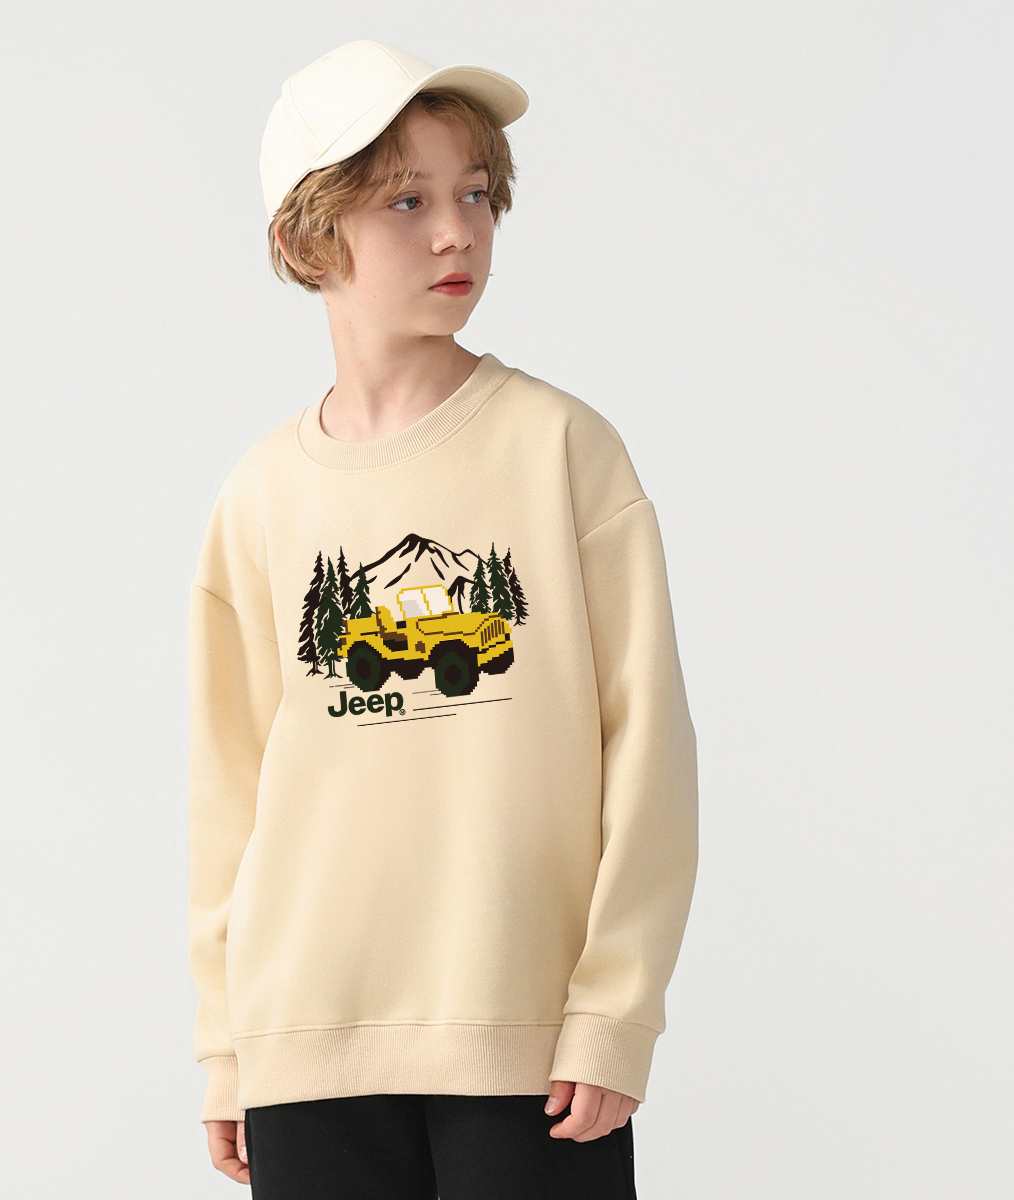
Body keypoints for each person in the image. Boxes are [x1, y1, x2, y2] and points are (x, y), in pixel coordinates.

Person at [188, 39, 699, 1198]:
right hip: (308, 1040)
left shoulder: (563, 450)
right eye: (406, 201)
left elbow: (650, 751)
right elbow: (227, 791)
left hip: (525, 1038)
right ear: (304, 239)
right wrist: (229, 1043)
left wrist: (614, 1007)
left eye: (474, 194)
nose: (457, 233)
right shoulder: (261, 494)